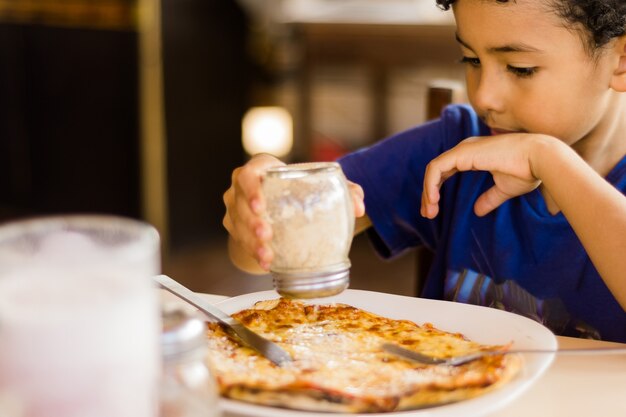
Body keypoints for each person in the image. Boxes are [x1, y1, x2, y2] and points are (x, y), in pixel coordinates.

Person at [223, 0, 626, 342]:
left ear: (620, 60)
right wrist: (261, 208)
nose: (483, 95)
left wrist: (549, 159)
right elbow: (264, 256)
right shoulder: (454, 147)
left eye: (520, 68)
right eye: (470, 59)